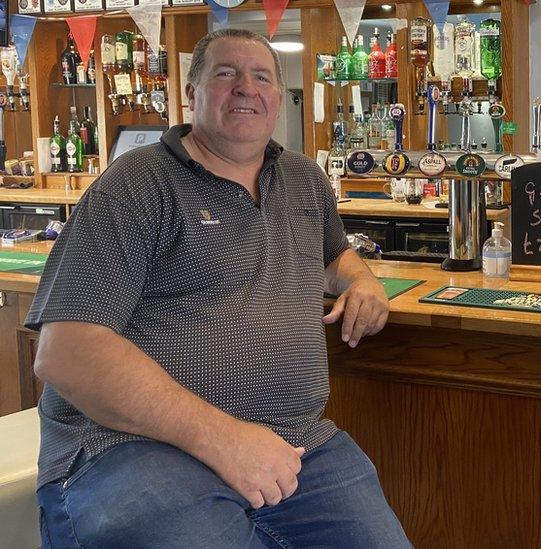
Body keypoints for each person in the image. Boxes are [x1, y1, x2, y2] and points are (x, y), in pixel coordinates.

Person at [28, 29, 411, 548]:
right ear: (191, 93)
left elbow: (332, 252)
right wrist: (225, 440)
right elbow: (67, 352)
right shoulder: (136, 184)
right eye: (226, 74)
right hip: (132, 447)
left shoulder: (302, 178)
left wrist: (360, 277)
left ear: (279, 96)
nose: (245, 88)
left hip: (293, 444)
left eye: (261, 77)